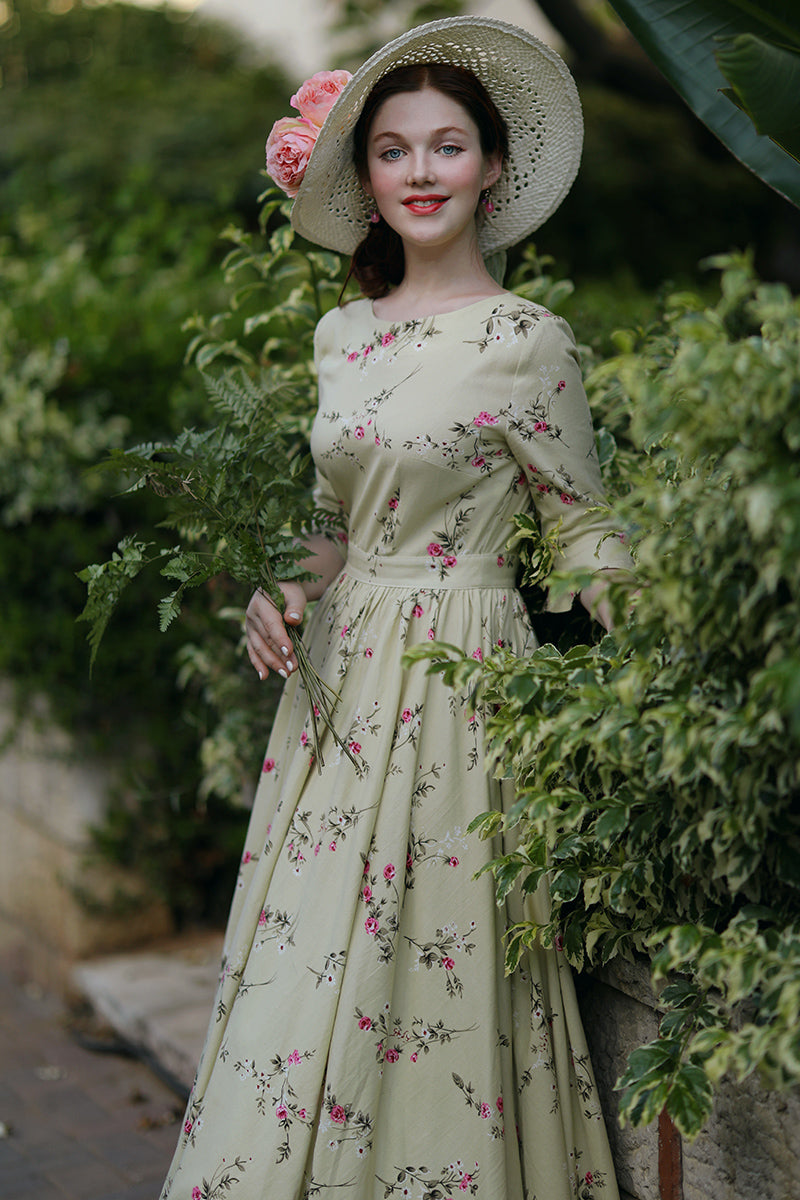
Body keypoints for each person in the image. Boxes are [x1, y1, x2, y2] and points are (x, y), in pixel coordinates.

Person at [161, 17, 634, 1200]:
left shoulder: (525, 341)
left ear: (490, 167)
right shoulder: (340, 337)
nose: (420, 171)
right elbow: (333, 523)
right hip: (336, 690)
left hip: (462, 690)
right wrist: (280, 588)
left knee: (432, 978)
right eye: (392, 150)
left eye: (445, 146)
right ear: (366, 178)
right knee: (306, 972)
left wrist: (656, 658)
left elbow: (582, 531)